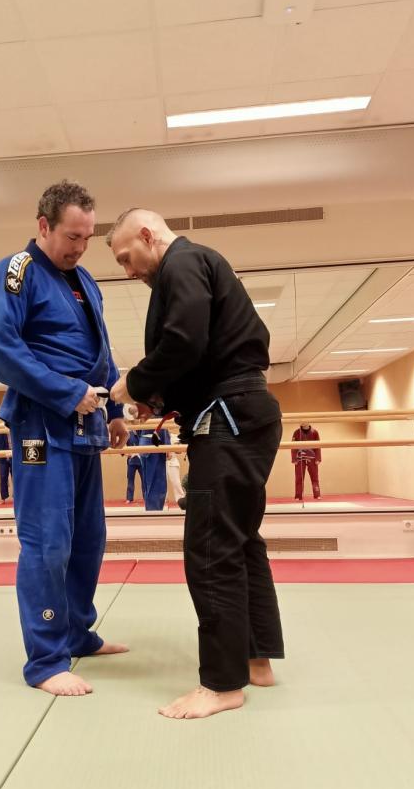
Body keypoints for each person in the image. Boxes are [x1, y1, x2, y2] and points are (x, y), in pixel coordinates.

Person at [108, 208, 284, 719]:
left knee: (211, 547)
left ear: (148, 235)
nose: (128, 270)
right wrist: (158, 400)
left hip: (230, 417)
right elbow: (201, 354)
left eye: (126, 257)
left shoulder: (182, 262)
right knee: (240, 540)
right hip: (243, 409)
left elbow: (184, 340)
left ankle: (222, 685)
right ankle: (255, 660)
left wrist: (134, 383)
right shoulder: (199, 264)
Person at [0, 180, 129, 697]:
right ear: (43, 226)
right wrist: (66, 393)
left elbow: (101, 351)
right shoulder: (15, 272)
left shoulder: (85, 280)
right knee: (48, 542)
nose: (80, 247)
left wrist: (114, 409)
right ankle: (45, 659)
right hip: (40, 424)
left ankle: (77, 633)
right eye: (71, 236)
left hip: (86, 424)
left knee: (88, 538)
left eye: (87, 237)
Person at [137, 425, 169, 510]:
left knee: (151, 484)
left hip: (147, 442)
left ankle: (152, 511)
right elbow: (161, 423)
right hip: (154, 442)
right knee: (156, 485)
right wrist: (167, 445)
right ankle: (154, 512)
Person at [292, 423, 321, 500]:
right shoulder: (296, 432)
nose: (304, 422)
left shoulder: (314, 432)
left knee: (314, 477)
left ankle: (317, 494)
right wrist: (294, 459)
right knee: (299, 477)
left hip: (312, 457)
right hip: (300, 458)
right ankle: (298, 495)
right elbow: (293, 446)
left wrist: (318, 458)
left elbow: (318, 445)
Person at [123, 428, 143, 503]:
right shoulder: (128, 433)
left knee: (144, 480)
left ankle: (146, 497)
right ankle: (129, 498)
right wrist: (127, 454)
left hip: (141, 461)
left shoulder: (142, 432)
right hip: (131, 461)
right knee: (130, 480)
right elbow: (121, 446)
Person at [166, 432, 186, 506]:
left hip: (172, 463)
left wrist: (174, 447)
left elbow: (179, 451)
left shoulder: (174, 437)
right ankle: (163, 501)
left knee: (176, 483)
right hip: (161, 463)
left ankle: (181, 500)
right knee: (162, 484)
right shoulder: (158, 435)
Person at [0, 431, 13, 504]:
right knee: (3, 476)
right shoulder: (0, 430)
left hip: (14, 455)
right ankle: (3, 498)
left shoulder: (14, 428)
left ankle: (16, 497)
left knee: (15, 477)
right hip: (2, 456)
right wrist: (0, 450)